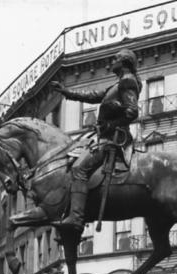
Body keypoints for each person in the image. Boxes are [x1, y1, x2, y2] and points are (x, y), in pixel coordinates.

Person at [51, 48, 142, 235]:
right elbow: (92, 96)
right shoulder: (116, 85)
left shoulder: (128, 81)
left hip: (114, 140)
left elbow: (132, 111)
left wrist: (111, 125)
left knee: (79, 168)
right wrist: (66, 92)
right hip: (105, 137)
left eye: (116, 58)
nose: (112, 60)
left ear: (124, 62)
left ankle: (76, 217)